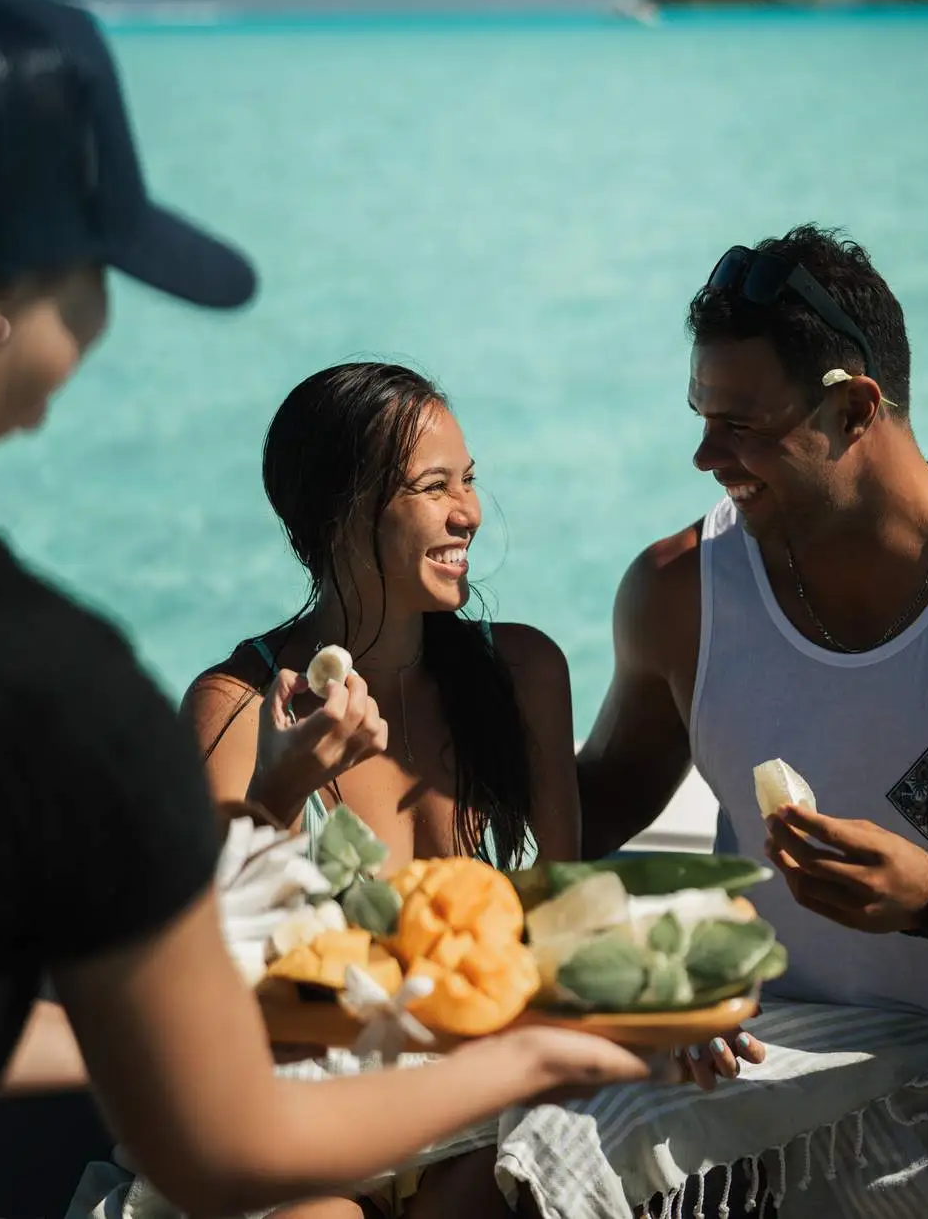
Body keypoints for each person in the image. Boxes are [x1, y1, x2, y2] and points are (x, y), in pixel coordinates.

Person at [0, 0, 672, 1218]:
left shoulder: (511, 677)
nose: (106, 312)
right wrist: (528, 1052)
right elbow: (218, 1137)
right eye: (98, 269)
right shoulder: (53, 686)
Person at [496, 227, 928, 1219]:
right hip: (758, 1039)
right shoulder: (681, 595)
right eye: (701, 418)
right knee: (534, 1153)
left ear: (853, 408)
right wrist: (440, 721)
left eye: (740, 425)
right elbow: (593, 805)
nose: (705, 457)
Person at [175, 360, 577, 1218]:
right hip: (306, 1126)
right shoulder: (240, 705)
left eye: (468, 482)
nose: (468, 511)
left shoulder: (525, 674)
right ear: (342, 515)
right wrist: (280, 792)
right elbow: (197, 988)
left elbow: (567, 924)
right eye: (435, 488)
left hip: (483, 1109)